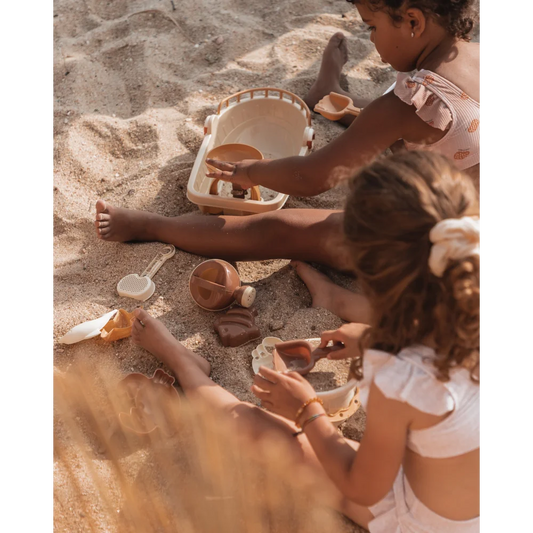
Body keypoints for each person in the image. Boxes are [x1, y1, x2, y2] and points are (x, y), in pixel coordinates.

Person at [129, 151, 482, 532]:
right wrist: (369, 338)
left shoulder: (402, 383)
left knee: (266, 432)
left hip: (423, 520)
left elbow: (360, 487)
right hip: (457, 494)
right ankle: (336, 301)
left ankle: (186, 366)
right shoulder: (467, 294)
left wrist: (307, 411)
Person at [95, 0, 481, 323]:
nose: (373, 40)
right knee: (399, 113)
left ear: (412, 20)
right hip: (464, 212)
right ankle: (329, 94)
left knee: (278, 229)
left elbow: (310, 177)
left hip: (445, 252)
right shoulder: (472, 56)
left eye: (371, 27)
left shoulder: (415, 100)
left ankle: (151, 225)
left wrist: (251, 171)